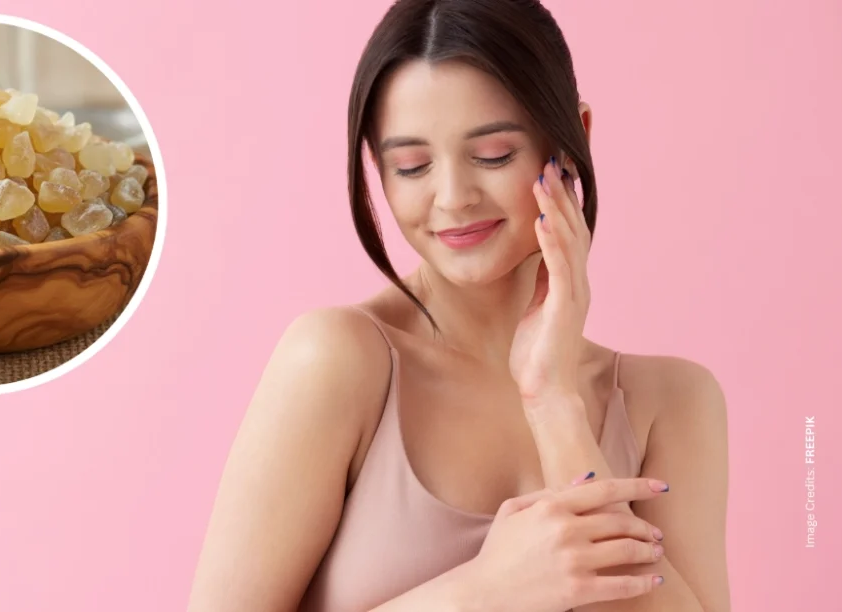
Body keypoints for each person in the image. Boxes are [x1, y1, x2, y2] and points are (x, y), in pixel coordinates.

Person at [187, 1, 730, 610]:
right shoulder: (339, 361)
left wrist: (554, 404)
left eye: (493, 154)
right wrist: (486, 590)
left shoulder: (672, 402)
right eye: (411, 166)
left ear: (572, 139)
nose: (452, 198)